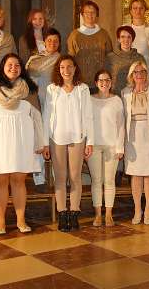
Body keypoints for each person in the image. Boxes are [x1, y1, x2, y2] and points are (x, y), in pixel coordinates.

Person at [0, 53, 46, 235]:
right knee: (0, 182)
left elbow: (37, 118)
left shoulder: (29, 89)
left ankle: (21, 221)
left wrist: (41, 142)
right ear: (3, 66)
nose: (13, 68)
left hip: (23, 141)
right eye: (10, 64)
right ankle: (0, 223)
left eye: (17, 65)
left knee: (19, 181)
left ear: (21, 68)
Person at [43, 55, 94, 232]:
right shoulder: (52, 89)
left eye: (70, 67)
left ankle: (74, 213)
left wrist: (90, 141)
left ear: (75, 68)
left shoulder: (83, 89)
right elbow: (46, 116)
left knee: (75, 177)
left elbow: (88, 116)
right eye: (63, 67)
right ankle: (62, 213)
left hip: (77, 137)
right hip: (56, 138)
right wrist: (45, 142)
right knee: (60, 177)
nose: (66, 70)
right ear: (59, 69)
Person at [122, 61, 149, 225]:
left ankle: (148, 210)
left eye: (142, 71)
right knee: (136, 174)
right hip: (132, 137)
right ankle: (137, 209)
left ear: (147, 74)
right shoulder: (125, 92)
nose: (139, 75)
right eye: (135, 72)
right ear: (131, 76)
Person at [25, 27, 61, 191]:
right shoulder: (33, 60)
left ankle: (57, 177)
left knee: (55, 141)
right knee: (38, 141)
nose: (52, 43)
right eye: (49, 40)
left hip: (56, 107)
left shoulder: (63, 61)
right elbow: (26, 83)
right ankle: (39, 179)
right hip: (37, 104)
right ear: (44, 42)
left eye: (55, 41)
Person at [89, 69, 125, 227]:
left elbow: (121, 125)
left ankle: (109, 214)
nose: (104, 83)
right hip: (94, 146)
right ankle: (97, 214)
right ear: (96, 83)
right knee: (96, 181)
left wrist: (120, 147)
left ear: (111, 82)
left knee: (109, 181)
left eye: (107, 80)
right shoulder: (89, 99)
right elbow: (86, 123)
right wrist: (87, 144)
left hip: (112, 146)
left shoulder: (116, 100)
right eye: (101, 80)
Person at [67, 0, 113, 88]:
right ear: (82, 14)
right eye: (87, 12)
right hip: (80, 83)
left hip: (100, 83)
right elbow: (70, 60)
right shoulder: (74, 35)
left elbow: (109, 58)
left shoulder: (104, 34)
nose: (90, 15)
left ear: (97, 15)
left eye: (93, 12)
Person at [106, 25, 147, 95]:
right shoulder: (110, 57)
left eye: (129, 37)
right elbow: (106, 78)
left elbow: (146, 77)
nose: (126, 40)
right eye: (122, 37)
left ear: (132, 39)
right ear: (118, 39)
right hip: (115, 95)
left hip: (135, 95)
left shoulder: (139, 58)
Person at [128, 0, 149, 69]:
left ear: (145, 10)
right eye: (135, 8)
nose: (138, 11)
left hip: (147, 69)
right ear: (131, 11)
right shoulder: (125, 29)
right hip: (129, 69)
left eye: (141, 8)